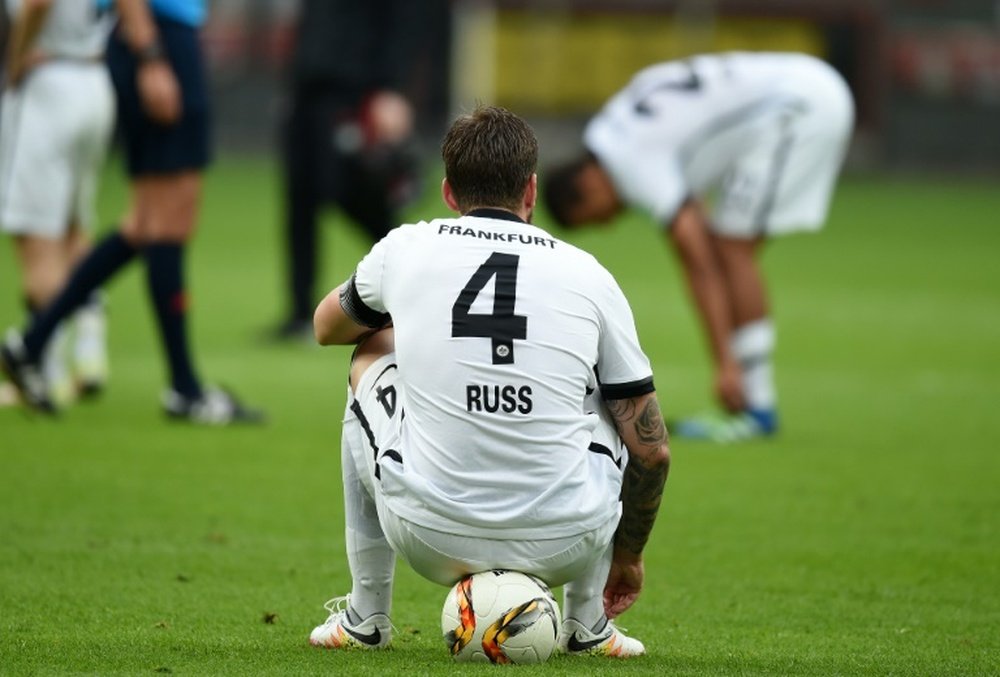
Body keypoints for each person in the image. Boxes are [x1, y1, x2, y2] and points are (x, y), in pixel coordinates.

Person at [308, 106, 670, 658]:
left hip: (429, 535)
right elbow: (653, 451)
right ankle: (589, 624)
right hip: (567, 541)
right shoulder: (589, 274)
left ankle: (366, 616)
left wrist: (412, 319)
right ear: (531, 190)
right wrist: (630, 558)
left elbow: (325, 327)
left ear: (450, 192)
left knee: (370, 352)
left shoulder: (406, 248)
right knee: (614, 394)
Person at [544, 51, 854, 443]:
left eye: (597, 218)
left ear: (587, 186)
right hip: (802, 84)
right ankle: (755, 406)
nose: (610, 223)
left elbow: (697, 261)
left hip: (799, 107)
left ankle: (755, 407)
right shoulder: (611, 124)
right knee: (727, 242)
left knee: (730, 248)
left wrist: (725, 364)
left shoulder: (629, 164)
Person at [0, 0, 262, 424]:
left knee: (143, 224)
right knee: (168, 220)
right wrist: (150, 55)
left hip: (148, 40)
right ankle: (184, 388)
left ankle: (31, 344)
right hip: (158, 39)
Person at [269, 0, 444, 341]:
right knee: (300, 197)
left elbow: (405, 23)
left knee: (345, 190)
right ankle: (300, 311)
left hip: (353, 90)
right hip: (307, 89)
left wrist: (390, 90)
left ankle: (412, 266)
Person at [0, 0, 114, 406]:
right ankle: (89, 349)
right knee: (73, 227)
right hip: (95, 76)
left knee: (36, 237)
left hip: (48, 82)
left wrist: (12, 63)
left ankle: (42, 370)